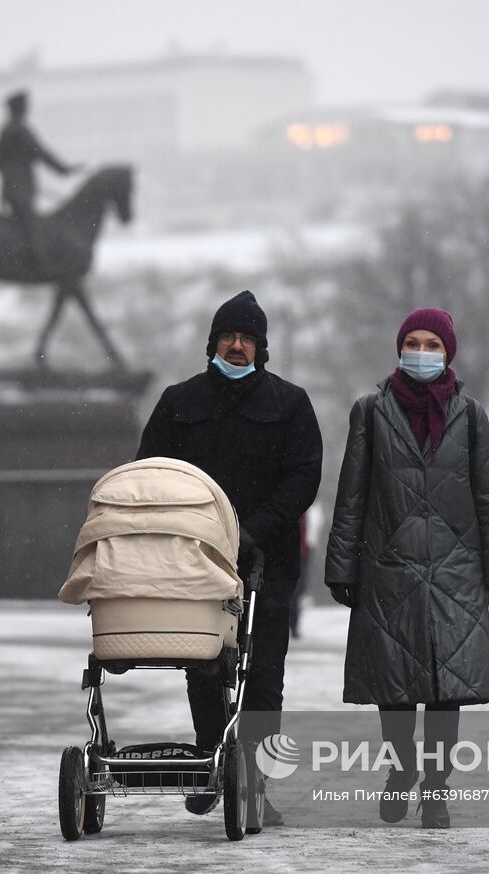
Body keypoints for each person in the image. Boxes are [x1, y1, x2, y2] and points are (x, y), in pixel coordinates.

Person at [136, 289, 322, 826]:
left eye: (247, 338)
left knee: (265, 672)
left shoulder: (290, 404)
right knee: (203, 662)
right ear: (213, 342)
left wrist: (253, 529)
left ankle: (258, 785)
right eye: (228, 336)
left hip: (270, 557)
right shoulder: (179, 401)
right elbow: (151, 470)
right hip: (195, 557)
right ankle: (210, 765)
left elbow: (302, 477)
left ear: (261, 348)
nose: (236, 346)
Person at [325, 307, 489, 830]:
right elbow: (352, 495)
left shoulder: (471, 417)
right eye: (414, 342)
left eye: (433, 343)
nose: (423, 352)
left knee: (446, 689)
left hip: (457, 570)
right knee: (397, 685)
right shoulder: (370, 411)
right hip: (391, 567)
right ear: (399, 348)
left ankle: (436, 789)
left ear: (448, 352)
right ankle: (402, 771)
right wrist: (342, 566)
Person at [0, 89, 77, 276]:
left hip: (12, 187)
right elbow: (40, 152)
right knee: (31, 224)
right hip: (20, 188)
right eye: (25, 106)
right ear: (19, 108)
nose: (28, 109)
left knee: (25, 223)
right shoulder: (19, 129)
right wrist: (63, 170)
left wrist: (8, 172)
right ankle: (40, 264)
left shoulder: (7, 129)